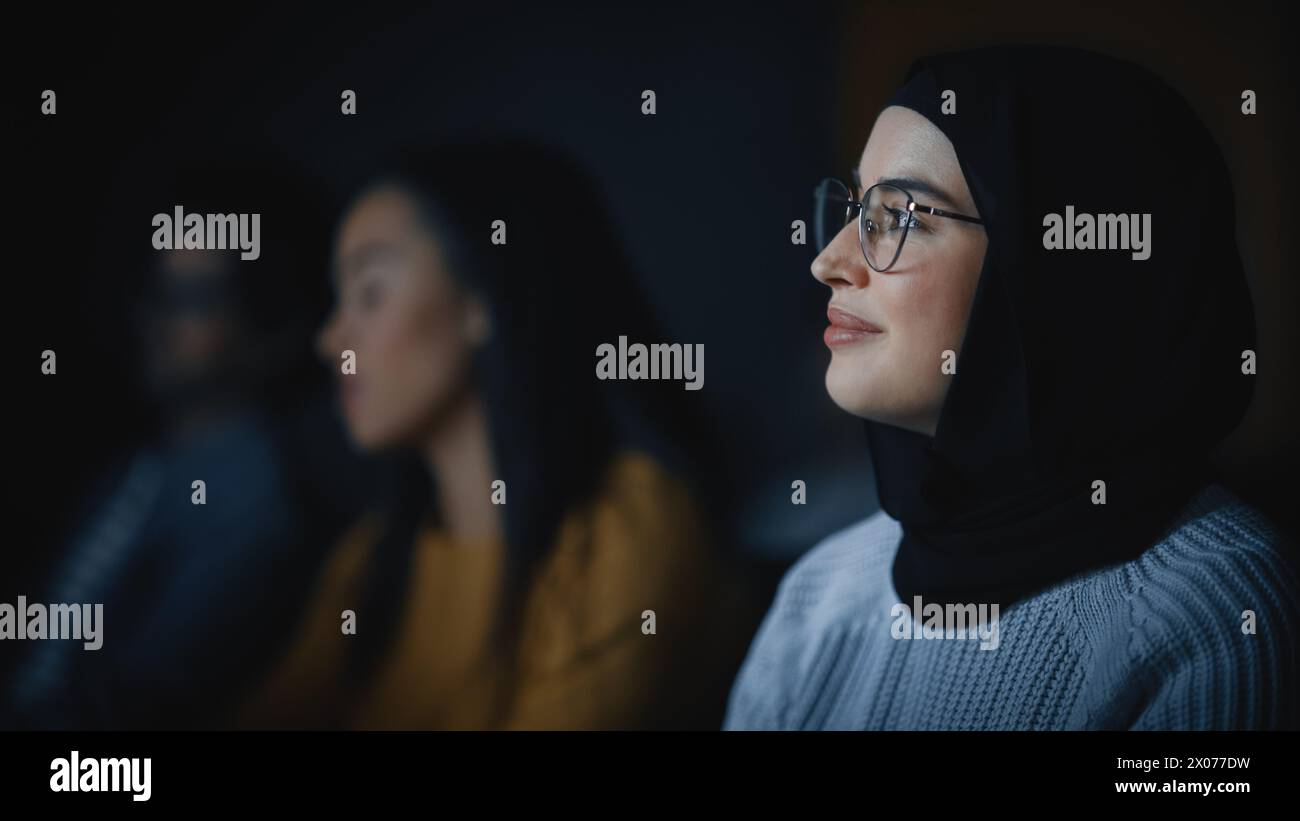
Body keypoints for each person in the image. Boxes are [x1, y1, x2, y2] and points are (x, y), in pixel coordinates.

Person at [725, 45, 1299, 730]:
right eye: (855, 210)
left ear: (1055, 271)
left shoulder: (1216, 612)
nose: (829, 261)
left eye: (901, 217)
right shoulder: (819, 595)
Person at [240, 136, 755, 730]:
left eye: (370, 293)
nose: (330, 340)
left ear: (483, 295)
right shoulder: (371, 562)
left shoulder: (628, 527)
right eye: (337, 300)